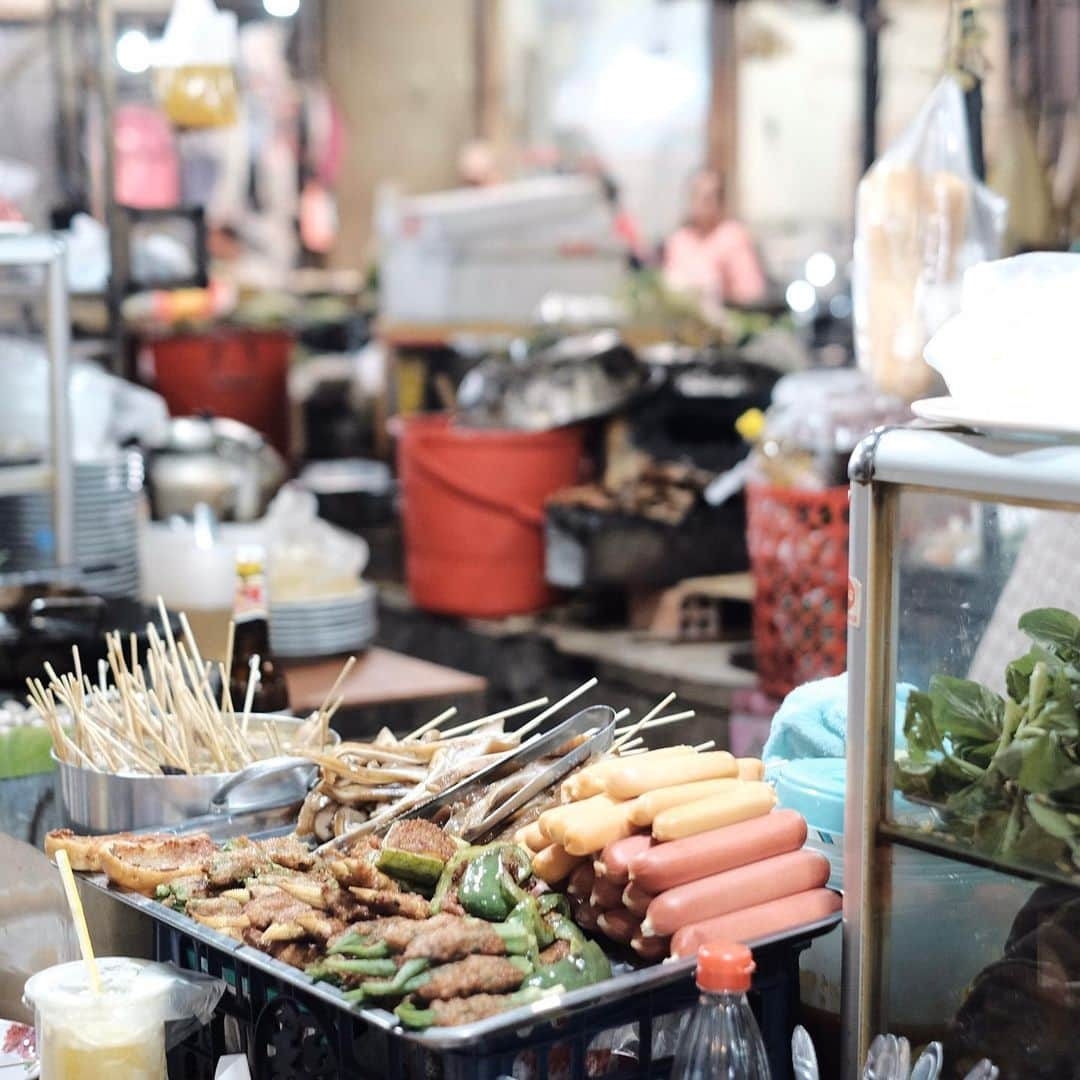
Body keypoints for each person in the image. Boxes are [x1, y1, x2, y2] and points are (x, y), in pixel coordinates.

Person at [663, 168, 766, 307]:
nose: (700, 203)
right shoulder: (678, 240)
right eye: (696, 195)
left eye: (707, 197)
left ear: (719, 201)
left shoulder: (732, 236)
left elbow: (750, 293)